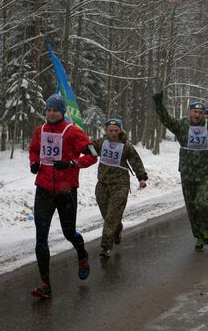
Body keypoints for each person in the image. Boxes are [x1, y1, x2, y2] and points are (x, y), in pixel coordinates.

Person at [28, 94, 98, 300]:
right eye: (48, 110)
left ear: (62, 111)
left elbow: (92, 155)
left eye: (55, 110)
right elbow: (33, 150)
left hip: (66, 191)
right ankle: (45, 284)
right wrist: (33, 163)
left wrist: (72, 164)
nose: (50, 113)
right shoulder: (40, 130)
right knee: (41, 238)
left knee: (69, 233)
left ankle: (82, 253)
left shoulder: (73, 132)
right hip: (43, 190)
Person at [153, 90, 208, 252]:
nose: (197, 114)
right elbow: (166, 120)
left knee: (202, 202)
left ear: (204, 114)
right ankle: (199, 237)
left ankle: (207, 227)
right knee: (191, 207)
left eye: (200, 112)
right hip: (187, 172)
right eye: (194, 111)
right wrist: (159, 104)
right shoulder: (182, 125)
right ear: (189, 112)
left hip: (206, 172)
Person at [92, 118, 148, 259]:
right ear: (106, 131)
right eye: (110, 130)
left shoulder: (126, 146)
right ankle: (117, 230)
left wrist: (141, 178)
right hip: (102, 184)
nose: (113, 133)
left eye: (116, 130)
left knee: (111, 216)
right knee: (107, 215)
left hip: (120, 185)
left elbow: (136, 161)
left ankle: (106, 247)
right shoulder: (100, 143)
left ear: (120, 130)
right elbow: (87, 149)